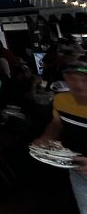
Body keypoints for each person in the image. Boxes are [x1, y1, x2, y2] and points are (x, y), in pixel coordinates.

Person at [35, 61, 87, 213]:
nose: (79, 85)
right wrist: (46, 138)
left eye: (84, 79)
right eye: (72, 79)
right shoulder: (61, 100)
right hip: (77, 171)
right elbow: (57, 123)